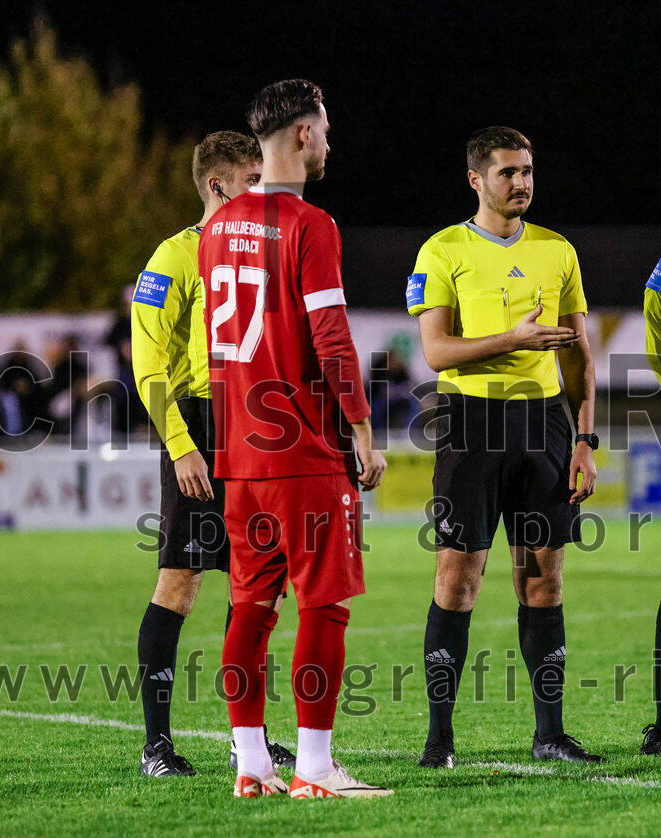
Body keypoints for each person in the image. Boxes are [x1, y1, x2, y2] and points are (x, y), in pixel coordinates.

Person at [199, 79, 391, 799]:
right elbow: (332, 340)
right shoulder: (312, 225)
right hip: (304, 452)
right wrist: (363, 430)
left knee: (250, 606)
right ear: (303, 136)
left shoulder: (215, 227)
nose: (331, 144)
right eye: (327, 130)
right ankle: (314, 767)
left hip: (240, 455)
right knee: (324, 606)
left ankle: (252, 761)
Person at [406, 126, 602, 769]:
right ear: (476, 180)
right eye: (506, 173)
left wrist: (585, 438)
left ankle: (551, 735)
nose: (520, 183)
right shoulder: (442, 251)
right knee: (457, 579)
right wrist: (511, 341)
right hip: (471, 424)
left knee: (542, 581)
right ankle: (439, 740)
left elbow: (578, 356)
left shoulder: (557, 250)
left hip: (545, 426)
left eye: (527, 171)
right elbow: (435, 352)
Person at [131, 131, 294, 776]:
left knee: (257, 589)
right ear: (220, 186)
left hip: (258, 426)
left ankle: (246, 740)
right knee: (179, 582)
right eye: (255, 181)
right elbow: (148, 364)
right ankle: (157, 746)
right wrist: (181, 447)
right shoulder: (174, 258)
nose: (267, 193)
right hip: (201, 426)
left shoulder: (262, 258)